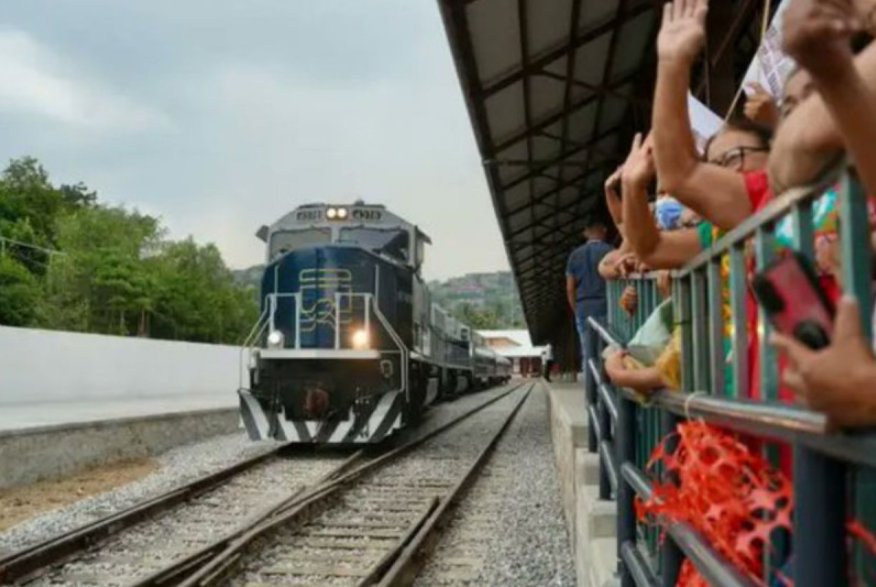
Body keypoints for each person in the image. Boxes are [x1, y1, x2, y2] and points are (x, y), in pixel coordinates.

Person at [565, 220, 613, 375]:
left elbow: (570, 287)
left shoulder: (574, 255)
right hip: (608, 307)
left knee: (588, 353)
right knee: (610, 351)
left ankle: (590, 395)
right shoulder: (611, 251)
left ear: (585, 233)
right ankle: (606, 393)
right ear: (604, 230)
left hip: (584, 308)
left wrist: (576, 309)